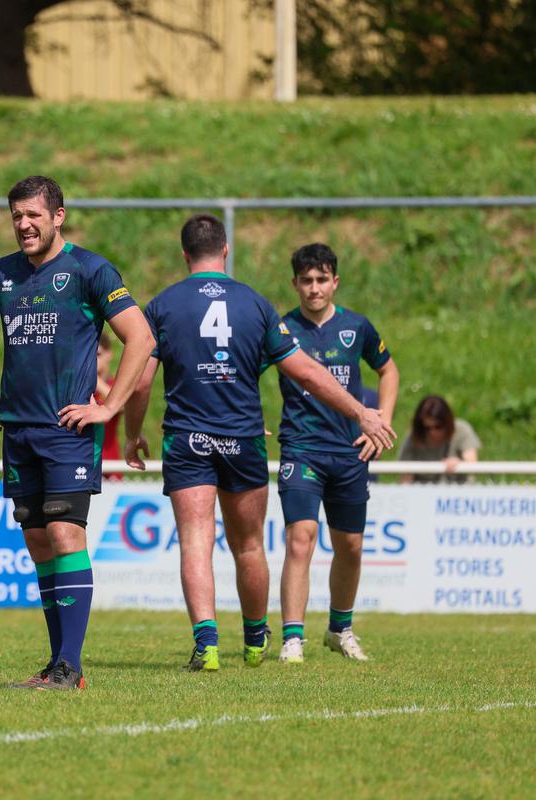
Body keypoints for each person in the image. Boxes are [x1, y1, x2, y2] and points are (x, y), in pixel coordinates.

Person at [123, 216, 395, 672]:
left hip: (187, 436)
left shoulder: (164, 305)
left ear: (185, 254)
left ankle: (206, 644)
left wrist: (132, 433)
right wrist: (361, 411)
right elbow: (307, 371)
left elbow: (141, 383)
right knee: (248, 544)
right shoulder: (256, 304)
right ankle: (254, 639)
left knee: (195, 541)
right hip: (242, 436)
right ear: (225, 251)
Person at [0, 176, 155, 690]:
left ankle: (70, 666)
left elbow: (140, 337)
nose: (24, 224)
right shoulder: (0, 275)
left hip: (67, 429)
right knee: (40, 542)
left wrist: (110, 407)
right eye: (17, 216)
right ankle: (57, 664)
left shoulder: (90, 270)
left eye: (34, 215)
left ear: (58, 215)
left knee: (66, 534)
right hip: (18, 432)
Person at [275, 242, 400, 664]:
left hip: (349, 453)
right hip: (301, 449)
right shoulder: (281, 329)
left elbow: (389, 369)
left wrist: (380, 419)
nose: (314, 288)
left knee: (351, 546)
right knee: (300, 539)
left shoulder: (357, 327)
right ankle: (292, 639)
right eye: (306, 281)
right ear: (294, 283)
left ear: (335, 282)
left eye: (321, 279)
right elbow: (244, 370)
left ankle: (339, 628)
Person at [398, 395, 481, 483]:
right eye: (427, 428)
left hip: (459, 493)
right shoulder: (414, 436)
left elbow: (472, 463)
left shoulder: (462, 430)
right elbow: (406, 477)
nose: (432, 432)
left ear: (448, 423)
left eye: (438, 427)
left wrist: (459, 463)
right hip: (425, 493)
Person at [96, 332, 123, 479]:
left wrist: (94, 379)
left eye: (98, 354)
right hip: (83, 466)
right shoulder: (79, 389)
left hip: (110, 469)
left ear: (109, 354)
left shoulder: (114, 385)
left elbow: (123, 406)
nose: (92, 360)